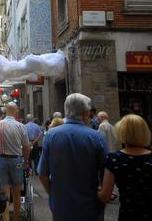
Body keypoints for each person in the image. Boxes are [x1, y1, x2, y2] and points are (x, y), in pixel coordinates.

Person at [38, 93, 108, 221]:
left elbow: (42, 174)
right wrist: (103, 198)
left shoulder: (51, 135)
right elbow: (106, 176)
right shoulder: (97, 137)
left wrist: (54, 195)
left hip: (61, 207)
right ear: (86, 113)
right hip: (90, 207)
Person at [98, 114, 152, 221]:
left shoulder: (115, 159)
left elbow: (105, 196)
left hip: (130, 215)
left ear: (122, 133)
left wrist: (95, 191)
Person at [0, 102, 30, 221]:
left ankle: (6, 219)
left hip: (1, 160)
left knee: (5, 194)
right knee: (16, 193)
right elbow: (26, 146)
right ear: (16, 111)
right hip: (16, 160)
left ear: (5, 110)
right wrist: (26, 161)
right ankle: (16, 219)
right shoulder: (21, 126)